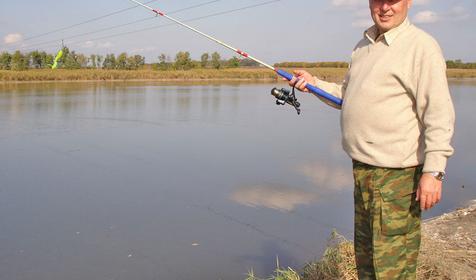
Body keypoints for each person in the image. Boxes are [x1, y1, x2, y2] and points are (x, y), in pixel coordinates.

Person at [289, 0, 455, 279]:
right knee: (366, 257)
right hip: (363, 169)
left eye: (394, 1)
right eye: (379, 0)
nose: (386, 7)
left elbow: (438, 115)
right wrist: (313, 83)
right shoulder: (363, 45)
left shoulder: (421, 47)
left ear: (408, 3)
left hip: (396, 176)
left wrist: (434, 171)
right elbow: (347, 95)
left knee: (392, 264)